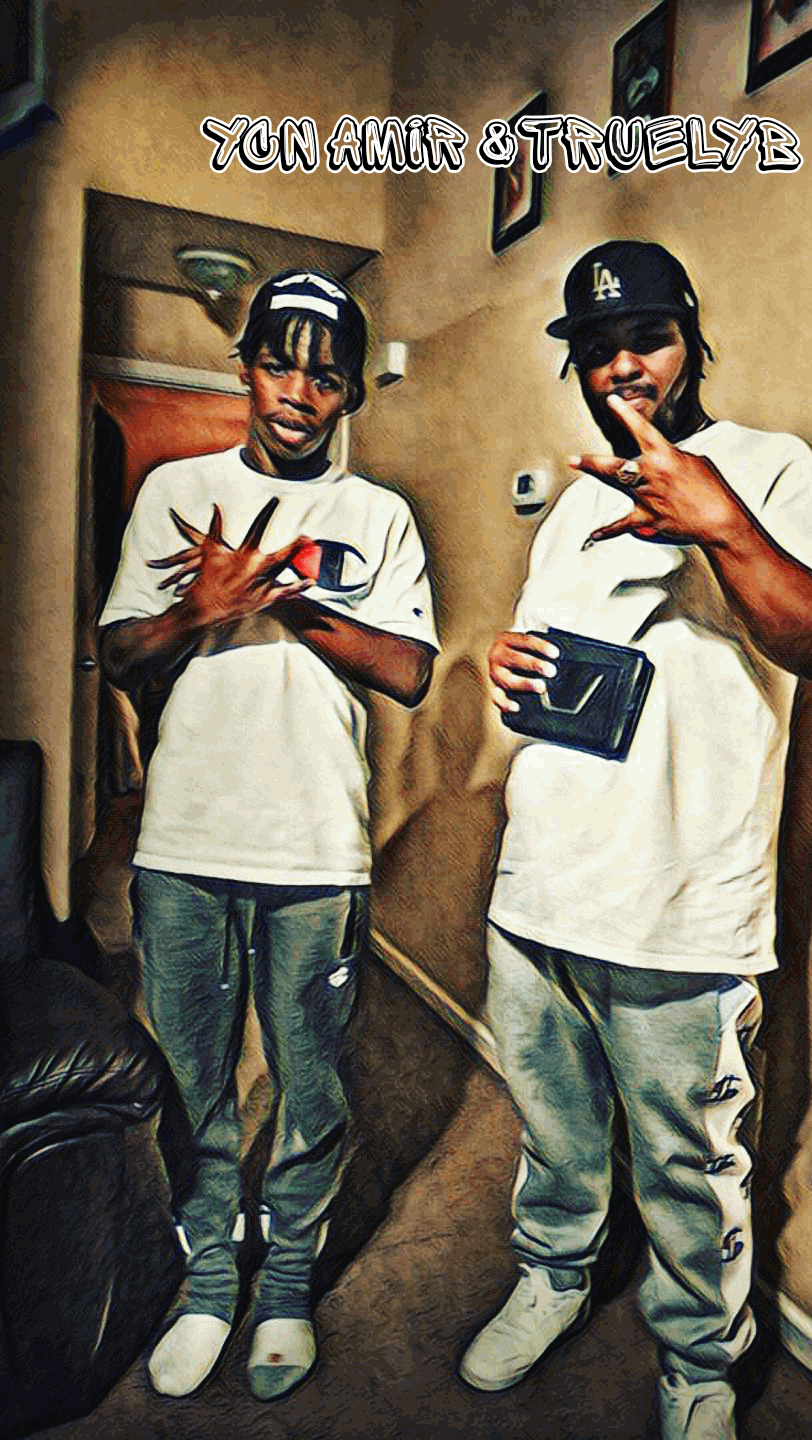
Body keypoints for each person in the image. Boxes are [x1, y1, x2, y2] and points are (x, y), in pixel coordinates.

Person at [459, 241, 812, 1440]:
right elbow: (558, 677)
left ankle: (699, 1366)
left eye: (646, 338)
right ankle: (554, 1275)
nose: (622, 367)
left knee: (692, 1164)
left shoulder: (770, 467)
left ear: (692, 339)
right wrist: (508, 666)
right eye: (597, 349)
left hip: (681, 903)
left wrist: (721, 524)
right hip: (542, 883)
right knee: (552, 1127)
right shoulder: (573, 506)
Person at [99, 269, 438, 1402]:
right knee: (192, 1077)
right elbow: (120, 653)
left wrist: (281, 593)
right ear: (245, 370)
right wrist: (200, 608)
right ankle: (209, 1280)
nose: (299, 391)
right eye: (279, 364)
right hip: (185, 844)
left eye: (325, 375)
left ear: (350, 394)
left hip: (315, 851)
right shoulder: (175, 490)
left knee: (310, 1081)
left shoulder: (378, 517)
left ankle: (284, 1282)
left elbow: (409, 669)